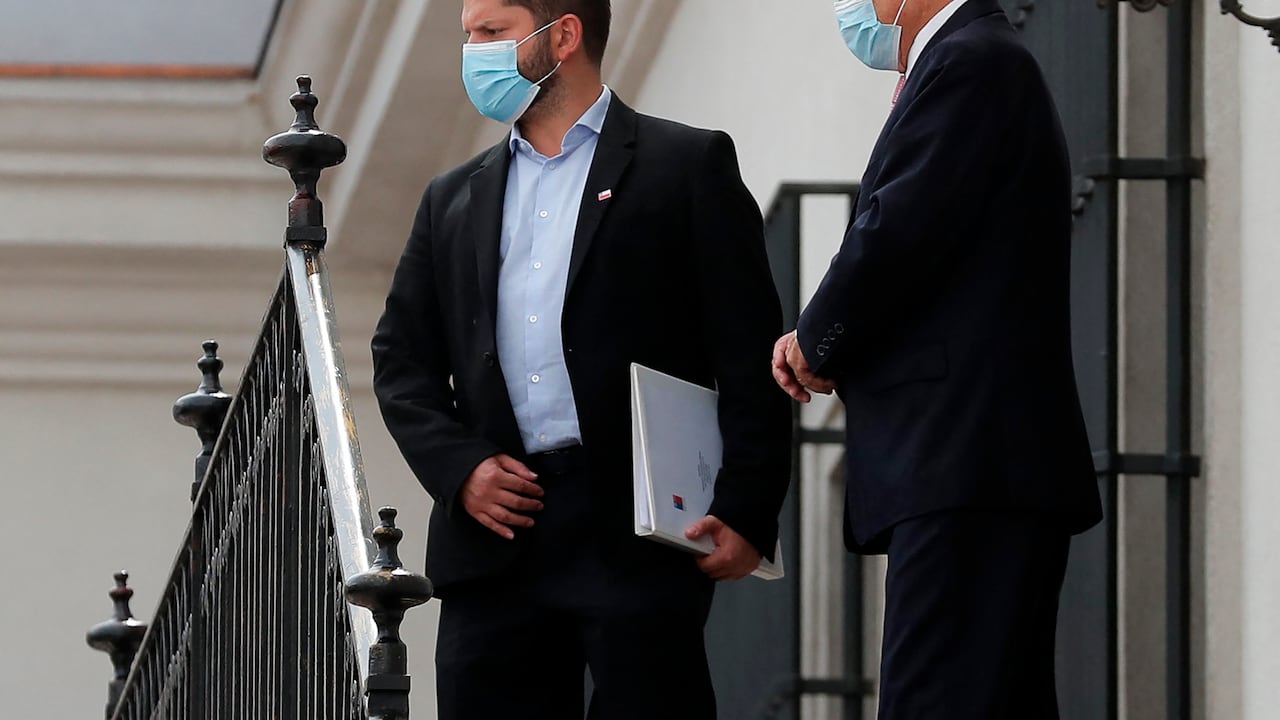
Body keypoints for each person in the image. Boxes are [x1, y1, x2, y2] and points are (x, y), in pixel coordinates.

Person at [372, 1, 791, 717]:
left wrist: (747, 509)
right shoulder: (450, 198)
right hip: (497, 538)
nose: (473, 52)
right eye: (468, 35)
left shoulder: (685, 164)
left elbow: (748, 349)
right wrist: (460, 468)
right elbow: (400, 358)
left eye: (492, 32)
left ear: (562, 35)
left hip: (635, 530)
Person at [772, 1, 1104, 717]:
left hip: (968, 460)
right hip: (976, 465)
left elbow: (900, 228)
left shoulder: (969, 61)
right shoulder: (973, 61)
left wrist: (816, 336)